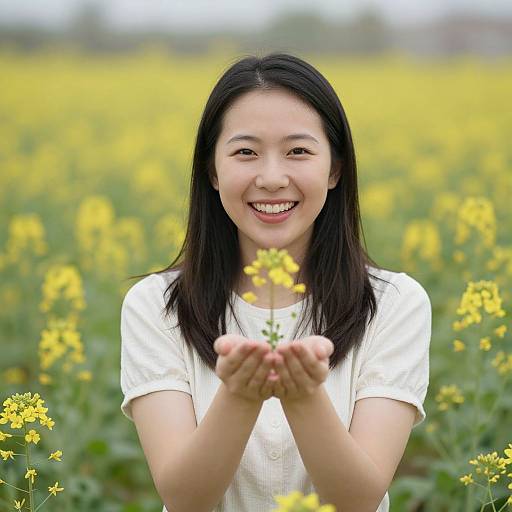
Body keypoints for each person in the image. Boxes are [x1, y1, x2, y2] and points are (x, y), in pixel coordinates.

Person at [119, 52, 431, 512]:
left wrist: (302, 397)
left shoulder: (393, 303)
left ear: (335, 169)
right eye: (245, 152)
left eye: (298, 151)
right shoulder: (156, 306)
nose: (271, 178)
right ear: (211, 169)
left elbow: (360, 498)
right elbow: (184, 497)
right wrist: (240, 397)